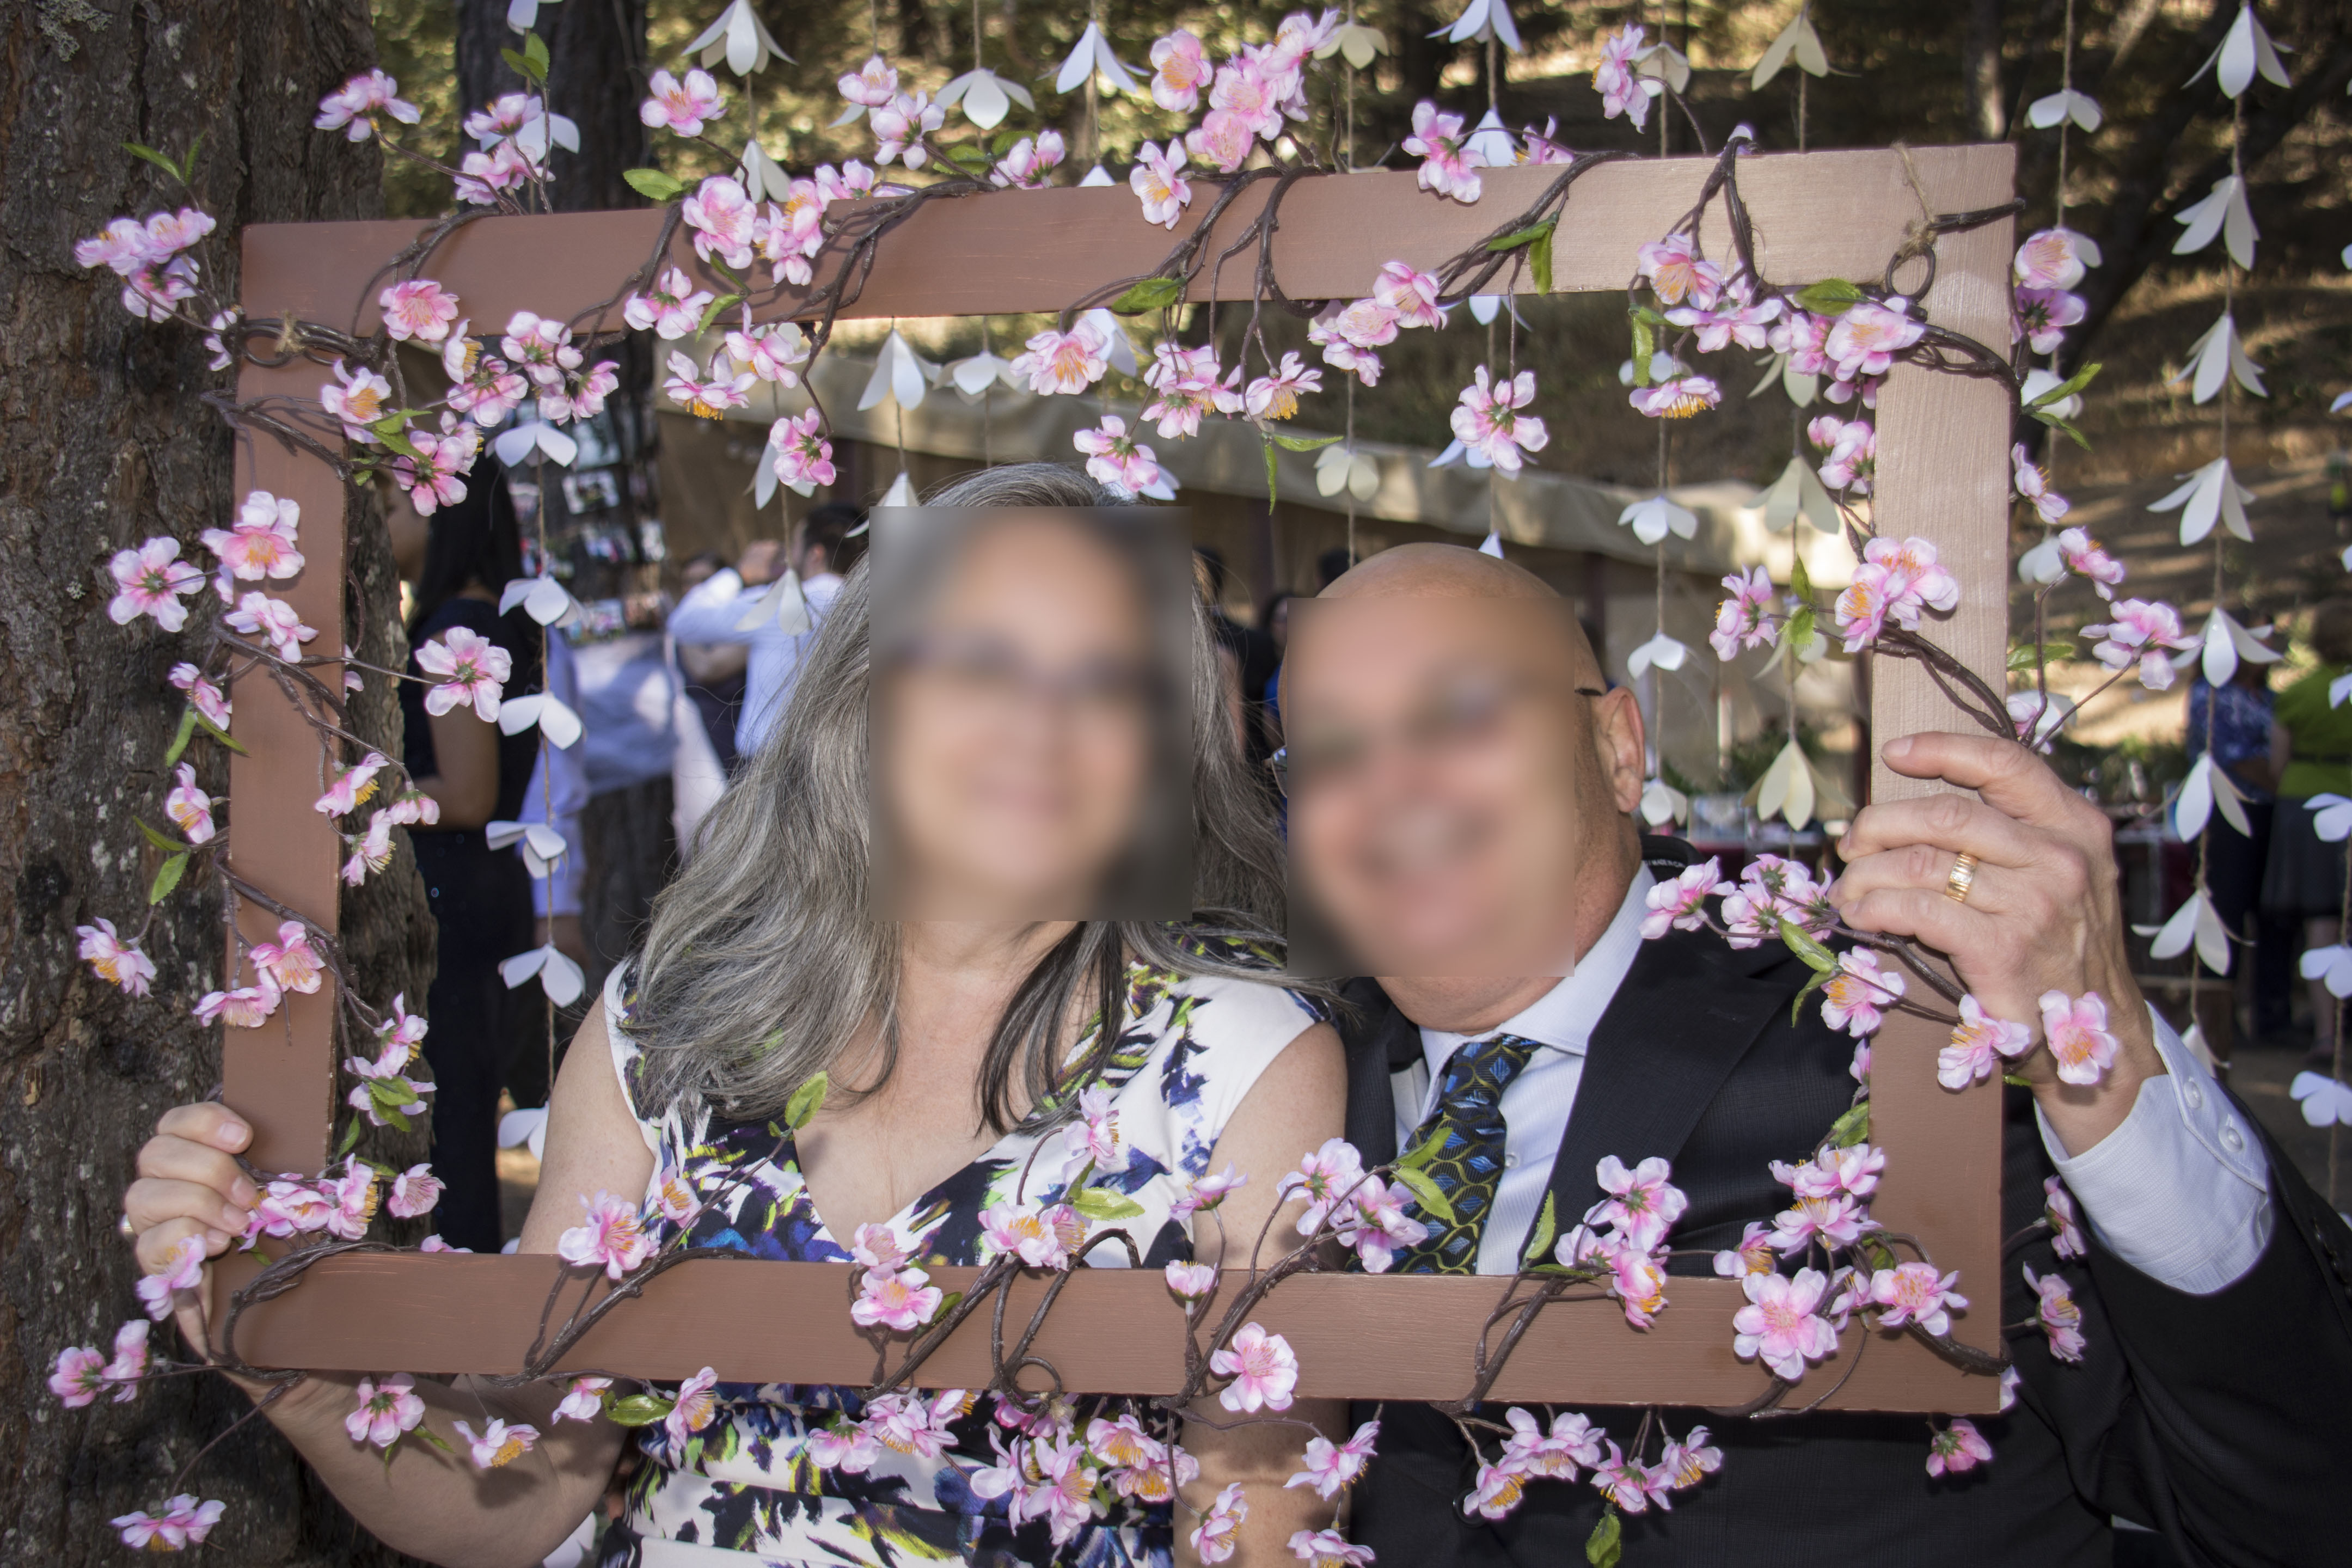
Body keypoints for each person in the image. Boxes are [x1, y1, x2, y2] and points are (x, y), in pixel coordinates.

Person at [122, 465, 1346, 1567]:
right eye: (982, 662)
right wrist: (303, 1374)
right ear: (865, 701)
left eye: (1110, 684)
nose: (1042, 722)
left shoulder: (1246, 1062)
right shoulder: (669, 1024)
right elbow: (531, 1486)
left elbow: (1253, 1532)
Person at [1277, 544, 2352, 1567]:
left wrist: (2107, 1067)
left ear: (1617, 750)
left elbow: (2287, 1506)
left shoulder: (1906, 1039)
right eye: (1330, 752)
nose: (1391, 781)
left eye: (1459, 713)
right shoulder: (1283, 1089)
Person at [385, 462, 543, 1253]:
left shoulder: (459, 627)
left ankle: (461, 1273)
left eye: (390, 506)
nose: (378, 525)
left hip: (460, 891)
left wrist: (365, 795)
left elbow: (469, 792)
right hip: (480, 887)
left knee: (453, 1109)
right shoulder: (484, 618)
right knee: (459, 1101)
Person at [666, 503, 862, 761]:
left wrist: (739, 574)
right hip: (844, 765)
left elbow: (684, 622)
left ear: (816, 554)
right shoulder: (870, 609)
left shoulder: (780, 603)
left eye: (794, 546)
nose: (789, 557)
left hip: (771, 767)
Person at [2264, 596, 2352, 1067]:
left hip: (2305, 805)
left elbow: (2277, 763)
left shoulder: (2298, 693)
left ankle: (2325, 1032)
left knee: (2321, 922)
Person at [2182, 659, 2284, 1051]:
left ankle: (2272, 1016)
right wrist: (2285, 783)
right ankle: (2217, 1020)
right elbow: (2234, 755)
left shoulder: (2272, 698)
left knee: (2275, 913)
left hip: (2272, 815)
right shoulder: (2211, 695)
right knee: (2224, 911)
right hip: (2224, 816)